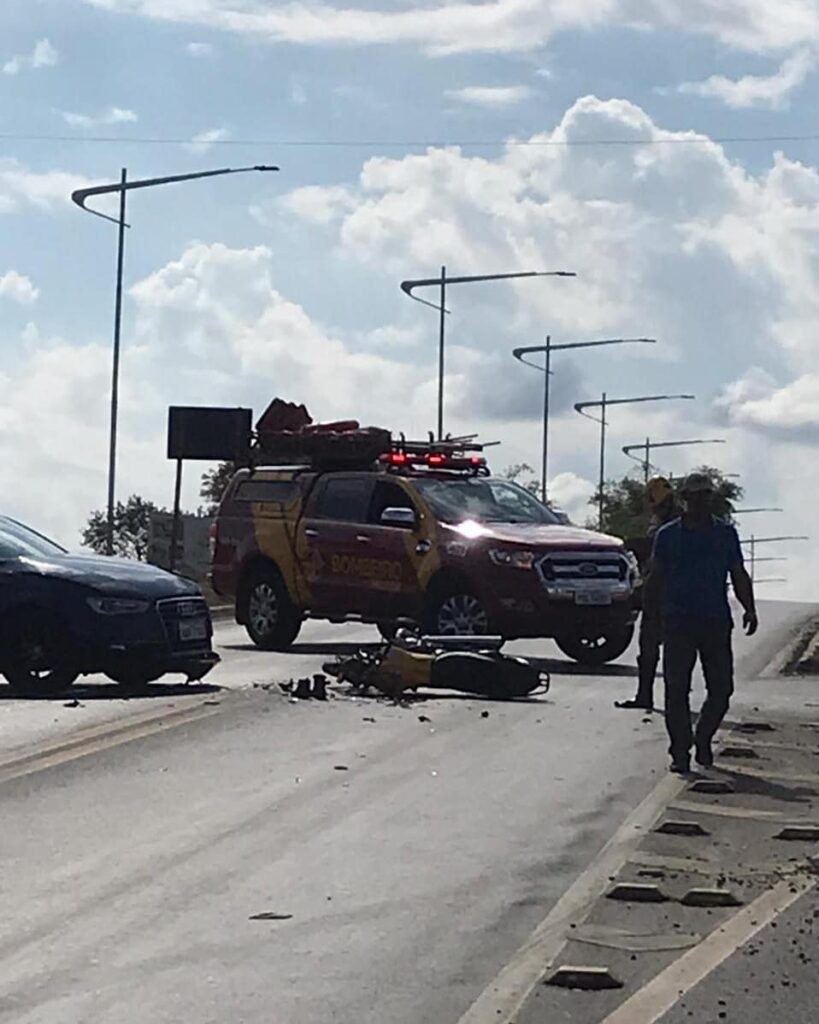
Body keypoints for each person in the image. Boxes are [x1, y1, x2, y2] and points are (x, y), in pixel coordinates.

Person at [646, 472, 758, 774]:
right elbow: (655, 579)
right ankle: (680, 752)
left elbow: (738, 572)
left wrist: (750, 608)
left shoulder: (725, 534)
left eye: (704, 496)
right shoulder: (668, 536)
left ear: (710, 499)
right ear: (684, 499)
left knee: (722, 689)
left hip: (715, 622)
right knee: (676, 690)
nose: (699, 502)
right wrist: (651, 620)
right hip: (678, 622)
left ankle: (703, 737)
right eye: (693, 497)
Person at [616, 477, 677, 711]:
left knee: (662, 648)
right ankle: (646, 696)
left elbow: (655, 551)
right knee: (648, 648)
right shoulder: (661, 520)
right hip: (656, 591)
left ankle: (662, 697)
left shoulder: (672, 525)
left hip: (665, 592)